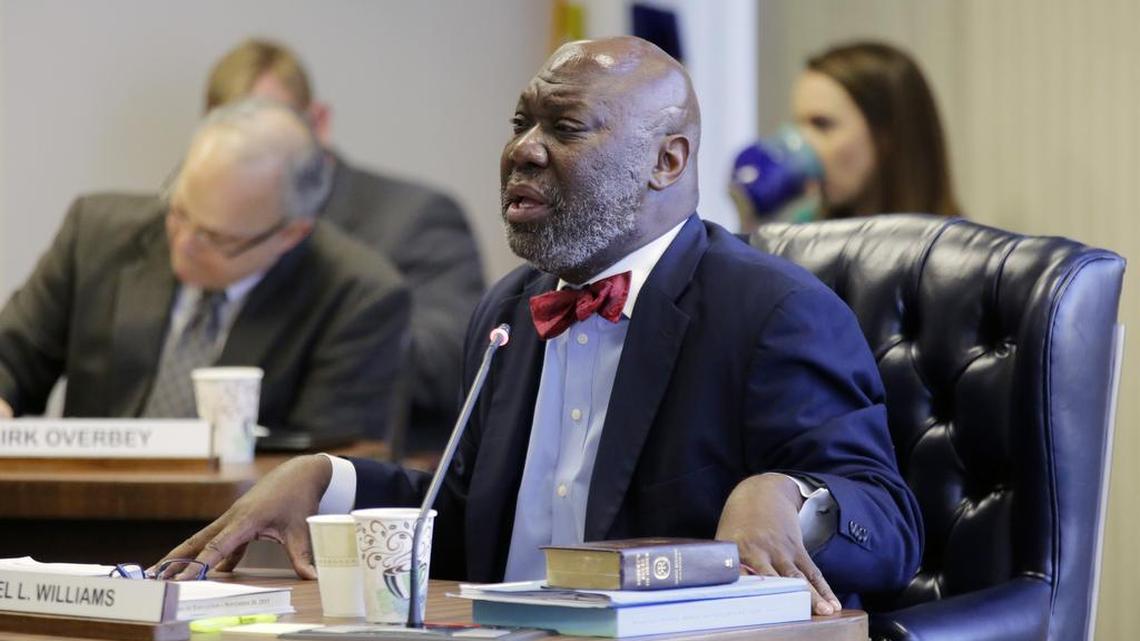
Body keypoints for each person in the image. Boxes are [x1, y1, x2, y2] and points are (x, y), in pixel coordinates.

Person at [161, 37, 922, 615]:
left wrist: (788, 493)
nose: (523, 150)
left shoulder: (771, 312)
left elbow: (890, 525)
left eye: (565, 127)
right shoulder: (506, 312)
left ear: (667, 160)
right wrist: (327, 479)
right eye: (522, 121)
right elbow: (468, 526)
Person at [0, 99, 410, 445]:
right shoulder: (97, 234)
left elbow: (320, 467)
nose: (184, 244)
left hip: (242, 529)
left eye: (216, 237)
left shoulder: (357, 297)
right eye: (179, 212)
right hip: (80, 513)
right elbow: (11, 358)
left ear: (291, 233)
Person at [206, 39, 485, 446]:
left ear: (318, 123)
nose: (248, 163)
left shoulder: (417, 217)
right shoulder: (208, 233)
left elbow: (447, 363)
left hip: (369, 481)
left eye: (267, 140)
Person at [737, 41, 960, 232]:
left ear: (886, 137)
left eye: (821, 125)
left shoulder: (963, 257)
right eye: (798, 125)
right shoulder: (802, 240)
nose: (801, 142)